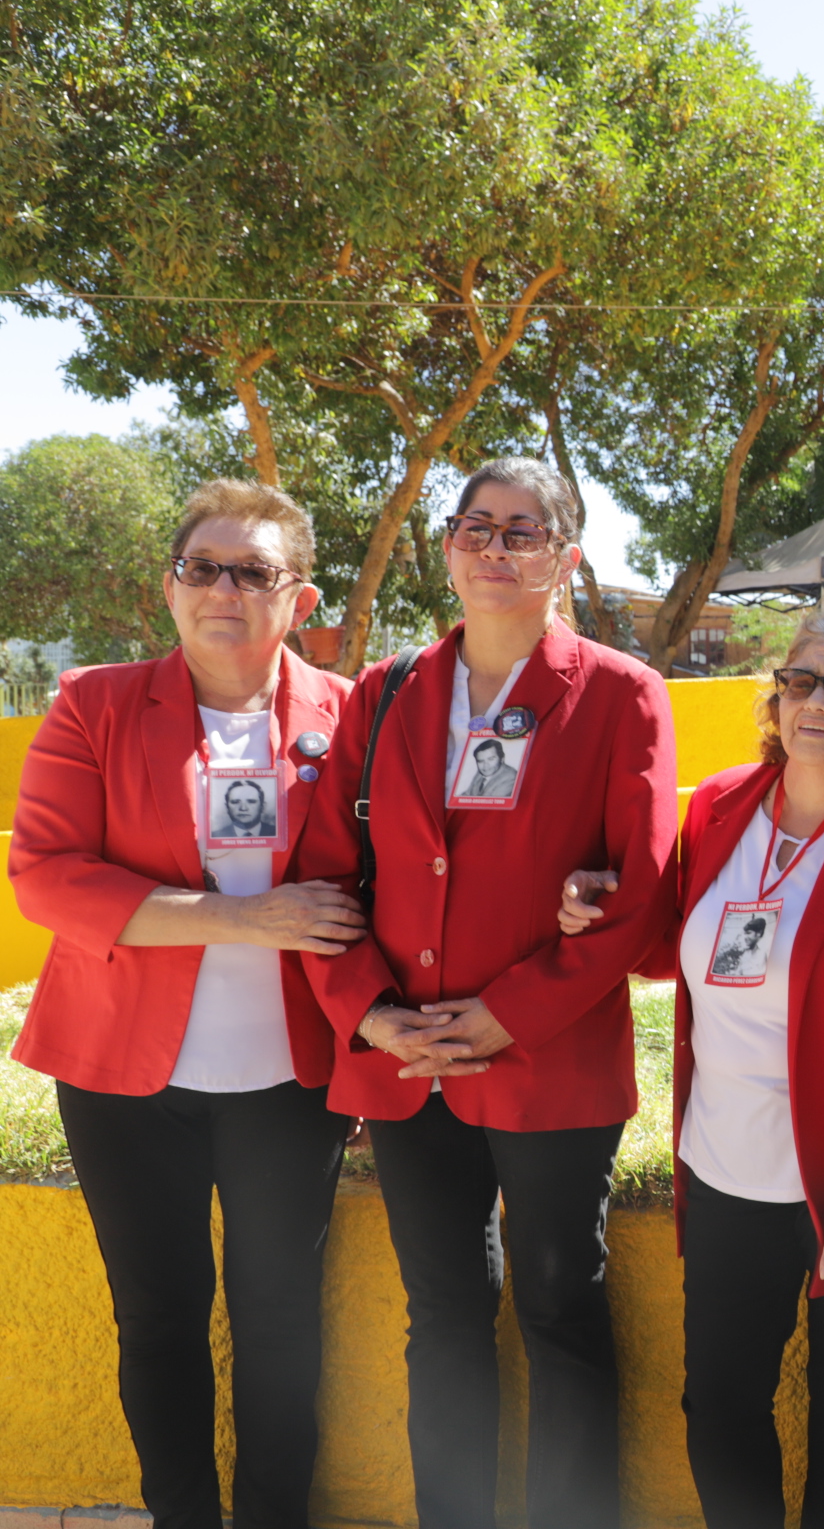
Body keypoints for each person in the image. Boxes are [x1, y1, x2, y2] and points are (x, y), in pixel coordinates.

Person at [292, 456, 678, 1529]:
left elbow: (640, 896)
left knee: (561, 1308)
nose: (496, 548)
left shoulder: (620, 693)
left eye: (523, 531)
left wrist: (509, 1012)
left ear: (566, 556)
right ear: (448, 548)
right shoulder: (391, 689)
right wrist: (372, 1014)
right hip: (407, 1065)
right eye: (477, 528)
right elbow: (325, 876)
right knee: (445, 1316)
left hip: (549, 1062)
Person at [555, 610, 824, 1529]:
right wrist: (595, 907)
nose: (816, 702)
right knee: (717, 1403)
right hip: (723, 1165)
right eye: (800, 682)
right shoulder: (720, 803)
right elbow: (671, 942)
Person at [9, 479, 363, 1529]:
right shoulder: (94, 703)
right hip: (125, 1079)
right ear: (170, 587)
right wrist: (249, 919)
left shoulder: (350, 717)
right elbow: (47, 881)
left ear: (299, 600)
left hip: (289, 1083)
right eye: (201, 566)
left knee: (279, 1323)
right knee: (159, 1318)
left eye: (253, 570)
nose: (223, 588)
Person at [459, 736, 516, 801]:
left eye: (491, 759)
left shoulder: (511, 778)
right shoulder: (482, 773)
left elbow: (489, 803)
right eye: (481, 761)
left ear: (502, 758)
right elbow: (467, 794)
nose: (485, 765)